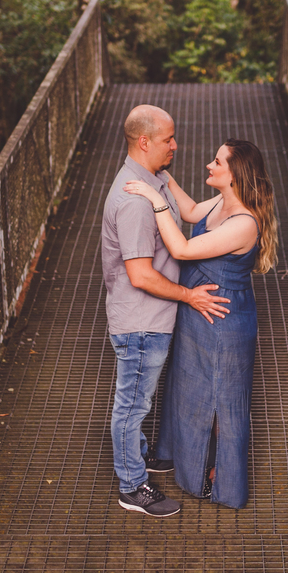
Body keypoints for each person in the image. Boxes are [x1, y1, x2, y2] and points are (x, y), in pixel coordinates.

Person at [123, 138, 278, 509]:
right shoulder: (224, 202)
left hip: (223, 322)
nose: (209, 166)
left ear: (235, 175)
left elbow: (183, 249)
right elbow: (191, 211)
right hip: (197, 313)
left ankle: (218, 479)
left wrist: (156, 199)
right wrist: (162, 177)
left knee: (221, 401)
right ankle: (177, 456)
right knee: (186, 385)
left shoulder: (244, 223)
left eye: (217, 162)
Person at [101, 104, 231, 518]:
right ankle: (132, 485)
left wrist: (240, 191)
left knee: (139, 399)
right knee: (133, 404)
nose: (176, 146)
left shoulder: (155, 179)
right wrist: (190, 296)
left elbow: (192, 212)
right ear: (144, 142)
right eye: (167, 139)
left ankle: (137, 457)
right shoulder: (135, 201)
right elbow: (140, 275)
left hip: (152, 319)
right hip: (141, 321)